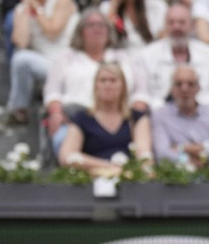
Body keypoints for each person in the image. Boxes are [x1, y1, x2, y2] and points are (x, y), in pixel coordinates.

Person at [0, 0, 79, 131]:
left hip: (70, 61)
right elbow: (21, 42)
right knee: (20, 59)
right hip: (45, 63)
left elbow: (53, 31)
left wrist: (36, 8)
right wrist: (26, 6)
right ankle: (18, 111)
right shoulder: (21, 9)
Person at [43, 8, 149, 151]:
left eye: (101, 25)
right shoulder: (65, 57)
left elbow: (141, 92)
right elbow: (52, 91)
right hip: (76, 119)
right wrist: (55, 112)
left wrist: (135, 118)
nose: (96, 29)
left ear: (109, 31)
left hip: (121, 118)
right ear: (80, 31)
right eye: (90, 25)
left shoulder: (126, 57)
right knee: (62, 140)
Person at [59, 62, 153, 175]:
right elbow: (67, 156)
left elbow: (144, 154)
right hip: (91, 178)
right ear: (96, 86)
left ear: (123, 86)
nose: (107, 85)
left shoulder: (136, 118)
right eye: (103, 80)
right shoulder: (81, 119)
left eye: (113, 80)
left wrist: (143, 171)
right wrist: (109, 167)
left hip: (129, 179)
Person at [138, 3, 209, 111]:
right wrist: (169, 112)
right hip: (159, 116)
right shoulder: (146, 55)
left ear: (192, 26)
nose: (176, 27)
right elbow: (142, 96)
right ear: (165, 26)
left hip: (205, 115)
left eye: (182, 22)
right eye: (171, 22)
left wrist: (194, 108)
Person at [151, 65, 209, 165]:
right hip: (177, 172)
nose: (184, 89)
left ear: (198, 88)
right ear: (171, 89)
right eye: (179, 84)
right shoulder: (160, 116)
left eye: (190, 84)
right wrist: (188, 162)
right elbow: (162, 154)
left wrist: (186, 148)